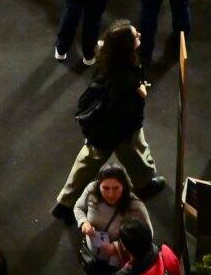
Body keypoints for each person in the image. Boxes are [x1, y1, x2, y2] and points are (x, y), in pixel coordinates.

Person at [54, 22, 160, 213]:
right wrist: (140, 91)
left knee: (86, 164)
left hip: (100, 130)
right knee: (137, 153)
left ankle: (66, 203)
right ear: (126, 46)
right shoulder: (125, 77)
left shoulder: (108, 60)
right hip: (122, 130)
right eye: (135, 36)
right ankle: (145, 184)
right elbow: (127, 104)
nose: (139, 35)